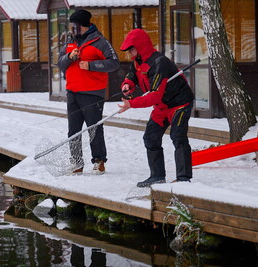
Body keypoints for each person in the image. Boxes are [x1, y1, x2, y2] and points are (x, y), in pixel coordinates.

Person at [117, 28, 195, 187]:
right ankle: (157, 175)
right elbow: (132, 76)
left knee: (178, 136)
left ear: (140, 45)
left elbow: (154, 95)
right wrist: (127, 85)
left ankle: (183, 178)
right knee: (150, 137)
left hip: (179, 103)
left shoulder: (159, 62)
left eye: (131, 49)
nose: (130, 53)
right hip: (161, 107)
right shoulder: (137, 61)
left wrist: (131, 104)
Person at [58, 9, 120, 174]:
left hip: (93, 93)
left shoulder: (100, 42)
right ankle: (77, 163)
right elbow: (60, 63)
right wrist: (69, 57)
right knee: (73, 130)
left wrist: (91, 65)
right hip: (72, 92)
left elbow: (114, 63)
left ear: (83, 26)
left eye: (74, 25)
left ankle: (99, 161)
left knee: (94, 128)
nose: (71, 28)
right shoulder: (70, 42)